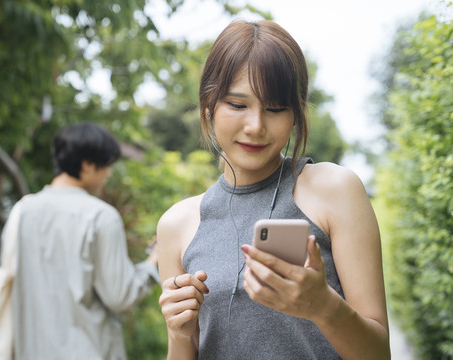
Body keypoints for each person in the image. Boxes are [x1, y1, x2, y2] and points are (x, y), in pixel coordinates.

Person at [157, 20, 391, 359]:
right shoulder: (176, 224)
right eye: (237, 105)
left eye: (275, 108)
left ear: (295, 113)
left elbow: (378, 354)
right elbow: (184, 349)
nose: (256, 126)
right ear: (209, 105)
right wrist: (179, 335)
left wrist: (324, 307)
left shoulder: (335, 190)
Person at [0, 122, 159, 359]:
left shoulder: (21, 212)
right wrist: (154, 261)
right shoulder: (101, 216)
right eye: (106, 166)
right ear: (87, 165)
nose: (108, 174)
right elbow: (119, 295)